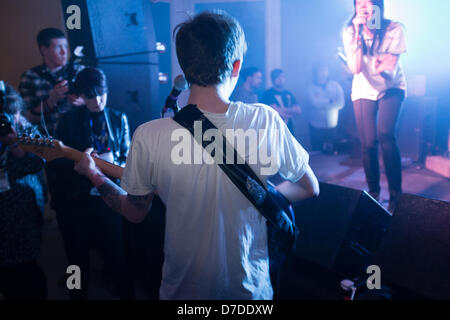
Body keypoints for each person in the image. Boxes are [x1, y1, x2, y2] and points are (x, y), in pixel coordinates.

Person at [74, 11, 319, 300]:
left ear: (185, 66)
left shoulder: (149, 134)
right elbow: (308, 187)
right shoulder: (265, 120)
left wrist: (93, 173)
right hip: (252, 293)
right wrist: (257, 195)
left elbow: (134, 212)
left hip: (183, 293)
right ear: (236, 66)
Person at [46, 68, 134, 300]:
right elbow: (56, 161)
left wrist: (115, 163)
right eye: (91, 96)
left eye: (101, 94)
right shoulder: (67, 120)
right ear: (82, 96)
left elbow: (127, 156)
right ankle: (77, 294)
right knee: (76, 258)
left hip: (109, 196)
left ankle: (126, 293)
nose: (97, 101)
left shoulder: (118, 118)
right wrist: (77, 167)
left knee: (116, 254)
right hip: (77, 199)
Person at [343, 0, 407, 212]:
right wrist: (358, 34)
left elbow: (389, 70)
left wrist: (382, 66)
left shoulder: (394, 29)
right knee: (368, 142)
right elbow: (355, 68)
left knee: (386, 134)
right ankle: (374, 192)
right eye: (358, 3)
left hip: (391, 86)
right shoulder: (350, 30)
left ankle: (396, 194)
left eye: (368, 2)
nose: (363, 7)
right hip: (363, 89)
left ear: (378, 6)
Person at [0, 83, 47, 300]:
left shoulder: (23, 128)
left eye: (13, 116)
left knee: (27, 274)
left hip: (22, 211)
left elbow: (39, 161)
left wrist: (14, 145)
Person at [19, 28, 84, 136]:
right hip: (48, 143)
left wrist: (83, 100)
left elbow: (100, 103)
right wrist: (51, 100)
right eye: (58, 47)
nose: (64, 52)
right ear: (44, 50)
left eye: (65, 46)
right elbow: (26, 121)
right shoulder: (30, 77)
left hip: (81, 138)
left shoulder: (79, 71)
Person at [307, 64, 345, 153]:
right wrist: (330, 100)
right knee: (317, 151)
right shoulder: (311, 87)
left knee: (333, 150)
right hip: (316, 124)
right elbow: (314, 103)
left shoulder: (335, 85)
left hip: (333, 123)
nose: (323, 73)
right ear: (316, 72)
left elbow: (341, 102)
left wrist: (326, 105)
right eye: (321, 71)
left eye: (325, 70)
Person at [262, 69, 302, 134]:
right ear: (273, 79)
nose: (281, 79)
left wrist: (282, 110)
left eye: (283, 77)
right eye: (278, 77)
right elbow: (274, 111)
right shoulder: (268, 94)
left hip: (289, 129)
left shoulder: (288, 93)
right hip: (275, 129)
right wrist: (291, 111)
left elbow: (298, 110)